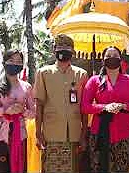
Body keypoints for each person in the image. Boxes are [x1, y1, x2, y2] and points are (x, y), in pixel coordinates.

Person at [81, 46, 129, 172]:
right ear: (103, 61)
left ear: (120, 60)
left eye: (115, 56)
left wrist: (123, 106)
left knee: (121, 169)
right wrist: (104, 107)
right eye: (108, 57)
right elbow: (85, 106)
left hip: (123, 134)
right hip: (99, 133)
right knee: (99, 168)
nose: (112, 59)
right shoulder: (94, 81)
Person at [33, 34, 89, 173]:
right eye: (60, 47)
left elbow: (84, 107)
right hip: (51, 134)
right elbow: (39, 105)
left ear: (73, 52)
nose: (63, 50)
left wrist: (83, 135)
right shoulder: (43, 73)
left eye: (67, 47)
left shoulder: (81, 74)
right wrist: (38, 133)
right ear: (54, 50)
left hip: (74, 135)